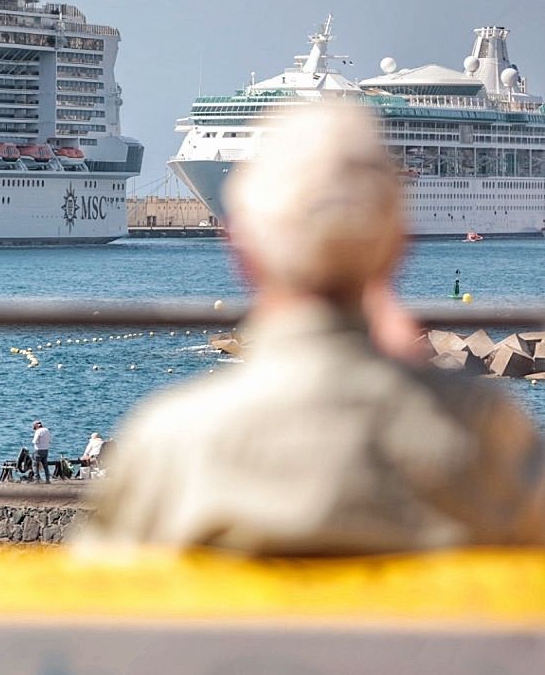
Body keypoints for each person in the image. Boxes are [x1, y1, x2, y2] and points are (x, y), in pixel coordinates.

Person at [80, 103, 545, 554]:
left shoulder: (169, 443)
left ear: (242, 252)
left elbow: (98, 600)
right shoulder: (485, 435)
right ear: (396, 249)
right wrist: (423, 376)